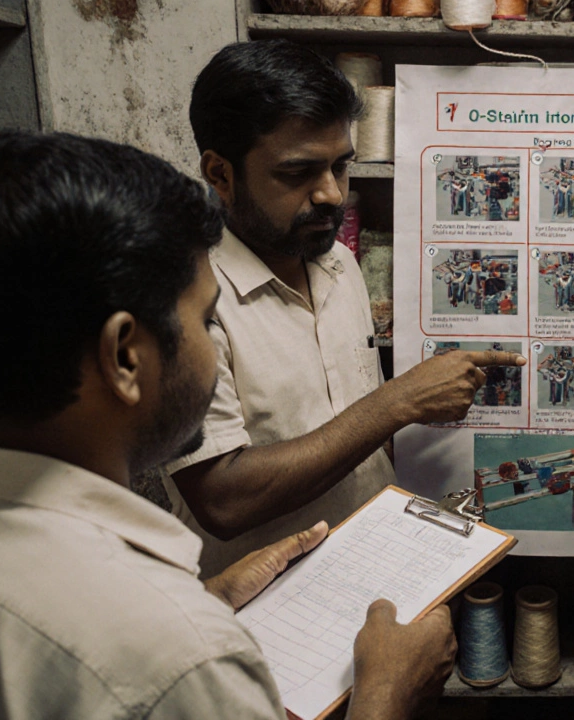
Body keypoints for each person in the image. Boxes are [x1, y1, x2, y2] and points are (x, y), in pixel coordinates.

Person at [0, 131, 455, 719]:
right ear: (126, 357)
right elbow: (143, 665)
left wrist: (208, 597)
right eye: (207, 320)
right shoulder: (182, 659)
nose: (216, 351)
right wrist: (387, 694)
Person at [173, 40, 525, 576]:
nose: (333, 195)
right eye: (298, 173)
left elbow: (351, 432)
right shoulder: (184, 296)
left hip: (367, 572)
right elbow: (222, 499)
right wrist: (399, 402)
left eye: (341, 167)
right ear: (220, 174)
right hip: (262, 613)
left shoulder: (337, 261)